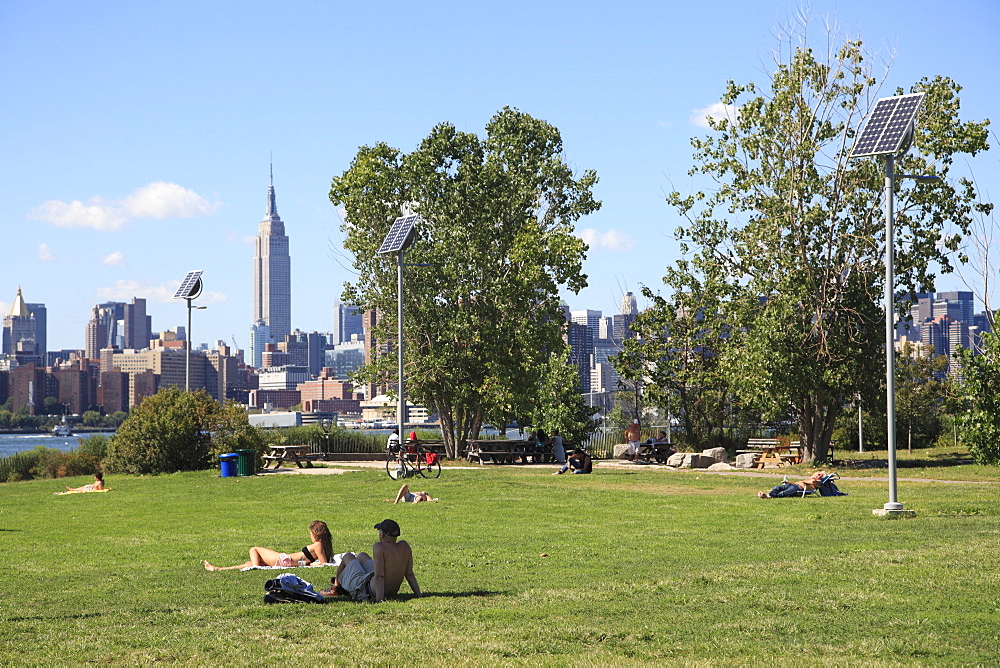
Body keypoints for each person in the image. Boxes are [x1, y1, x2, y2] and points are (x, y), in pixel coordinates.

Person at [322, 519, 420, 603]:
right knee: (362, 556)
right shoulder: (404, 546)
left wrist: (379, 600)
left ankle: (335, 589)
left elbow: (380, 576)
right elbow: (409, 574)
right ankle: (342, 583)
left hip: (366, 590)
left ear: (382, 535)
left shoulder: (379, 547)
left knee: (348, 556)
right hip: (391, 591)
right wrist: (418, 594)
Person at [203, 520, 333, 570]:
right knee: (248, 563)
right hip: (287, 561)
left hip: (284, 560)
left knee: (254, 549)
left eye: (311, 533)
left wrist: (313, 564)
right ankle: (219, 569)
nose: (310, 536)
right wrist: (307, 563)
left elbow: (323, 563)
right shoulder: (321, 545)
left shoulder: (318, 544)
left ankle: (255, 568)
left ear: (316, 533)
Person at [757, 472, 827, 498]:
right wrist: (789, 482)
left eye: (820, 474)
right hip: (794, 485)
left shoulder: (819, 481)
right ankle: (768, 495)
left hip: (799, 488)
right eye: (817, 473)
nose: (818, 475)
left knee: (783, 493)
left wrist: (813, 477)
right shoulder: (808, 479)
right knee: (777, 487)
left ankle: (767, 496)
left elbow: (812, 482)